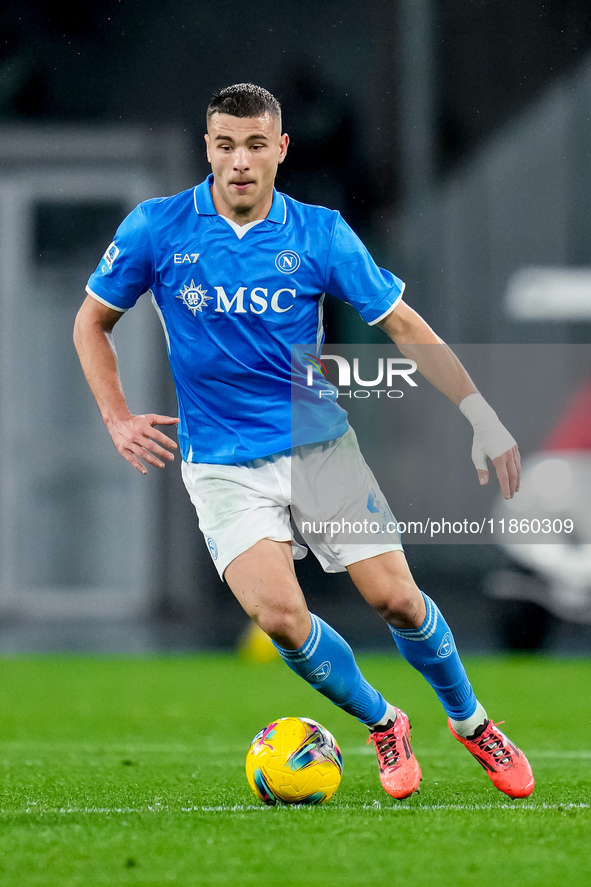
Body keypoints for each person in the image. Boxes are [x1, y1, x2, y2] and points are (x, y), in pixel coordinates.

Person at [74, 83, 534, 800]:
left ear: (280, 149)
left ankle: (471, 721)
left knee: (397, 602)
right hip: (222, 465)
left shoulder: (319, 233)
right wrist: (116, 416)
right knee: (282, 619)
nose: (239, 161)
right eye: (225, 145)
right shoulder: (157, 228)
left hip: (319, 450)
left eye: (255, 145)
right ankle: (384, 722)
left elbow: (403, 325)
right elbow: (90, 322)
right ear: (208, 148)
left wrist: (479, 411)